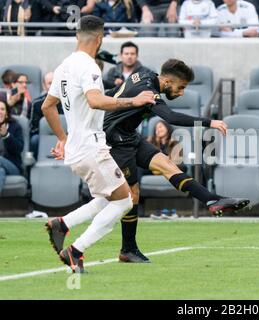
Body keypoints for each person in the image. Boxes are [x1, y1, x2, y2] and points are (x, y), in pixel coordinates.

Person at [103, 59, 250, 263]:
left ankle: (212, 200)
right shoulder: (149, 91)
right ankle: (127, 249)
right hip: (114, 140)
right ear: (167, 81)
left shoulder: (145, 74)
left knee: (167, 164)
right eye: (180, 87)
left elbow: (114, 92)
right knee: (132, 193)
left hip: (129, 136)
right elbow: (170, 117)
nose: (181, 93)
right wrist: (210, 122)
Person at [43, 15, 156, 273]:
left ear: (77, 36)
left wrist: (63, 138)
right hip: (92, 148)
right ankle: (76, 250)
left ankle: (62, 223)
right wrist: (134, 101)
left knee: (109, 198)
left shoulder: (63, 66)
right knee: (125, 200)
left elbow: (47, 106)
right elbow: (95, 100)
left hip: (77, 148)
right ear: (100, 38)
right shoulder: (90, 67)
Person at [147, 120, 186, 219]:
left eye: (160, 127)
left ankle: (171, 211)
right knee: (138, 167)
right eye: (156, 129)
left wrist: (159, 168)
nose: (158, 130)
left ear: (167, 128)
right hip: (153, 168)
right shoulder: (150, 142)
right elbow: (146, 159)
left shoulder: (175, 143)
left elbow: (177, 161)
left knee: (182, 167)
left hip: (168, 168)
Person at [29, 72, 64, 159]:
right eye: (49, 83)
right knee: (34, 139)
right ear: (44, 86)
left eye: (55, 82)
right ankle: (32, 166)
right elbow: (33, 128)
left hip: (64, 135)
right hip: (42, 136)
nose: (53, 85)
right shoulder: (37, 103)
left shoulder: (66, 102)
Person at [0, 101, 23, 195]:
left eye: (2, 109)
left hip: (13, 167)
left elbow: (19, 149)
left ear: (6, 114)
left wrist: (6, 135)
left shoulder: (15, 127)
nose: (0, 112)